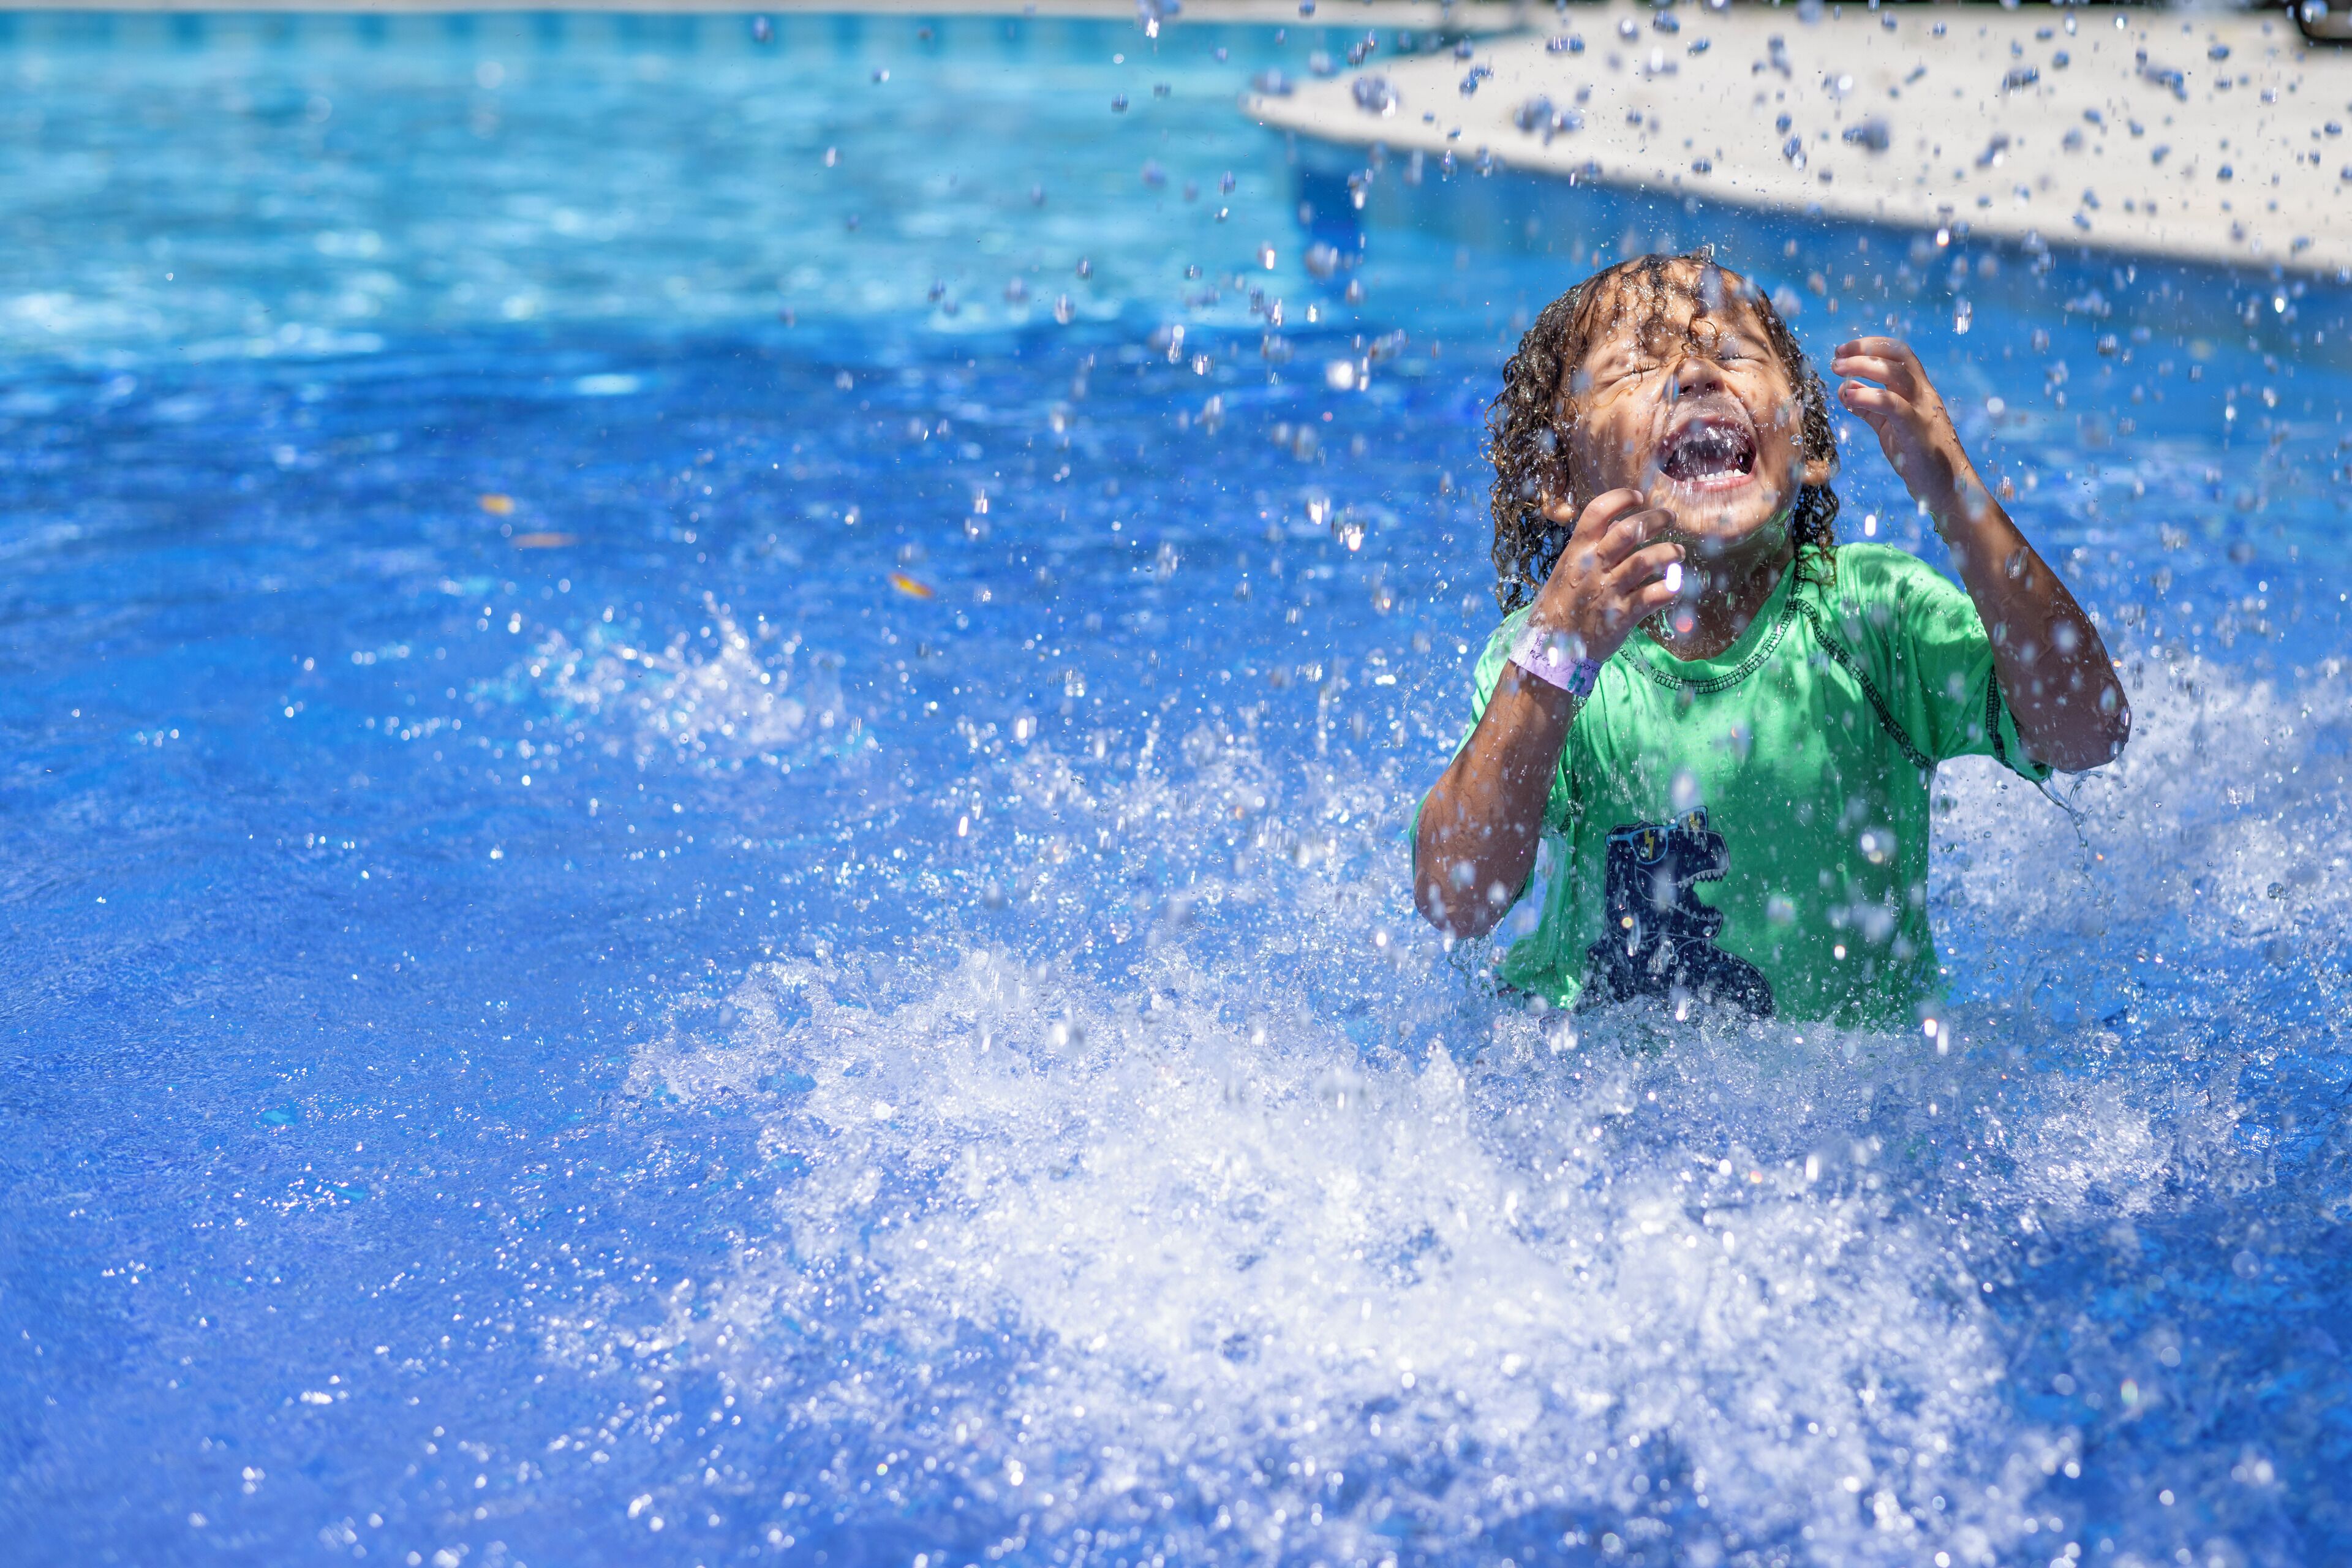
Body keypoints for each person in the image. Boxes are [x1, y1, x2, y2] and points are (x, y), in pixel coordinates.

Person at [1411, 251, 2129, 1026]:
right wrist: (1556, 656)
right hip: (1594, 1082)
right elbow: (1454, 899)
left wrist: (1953, 488)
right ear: (1557, 480)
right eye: (1634, 367)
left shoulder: (1873, 617)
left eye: (1732, 353)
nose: (1694, 374)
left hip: (1850, 1098)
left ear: (1810, 446)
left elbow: (2088, 731)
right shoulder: (1553, 658)